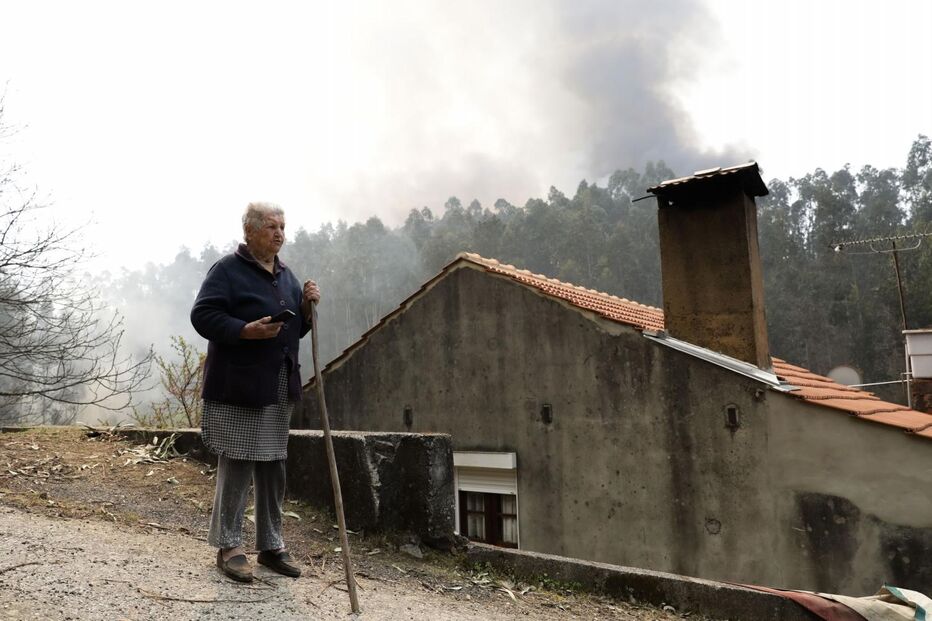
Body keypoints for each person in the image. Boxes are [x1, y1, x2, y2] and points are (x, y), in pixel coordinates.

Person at [190, 202, 320, 583]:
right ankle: (229, 545)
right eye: (270, 226)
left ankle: (271, 544)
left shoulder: (288, 276)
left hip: (278, 383)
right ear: (249, 231)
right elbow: (203, 316)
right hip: (240, 383)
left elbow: (294, 331)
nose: (279, 232)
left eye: (283, 226)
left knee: (273, 464)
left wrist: (307, 309)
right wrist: (244, 330)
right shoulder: (227, 270)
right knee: (239, 460)